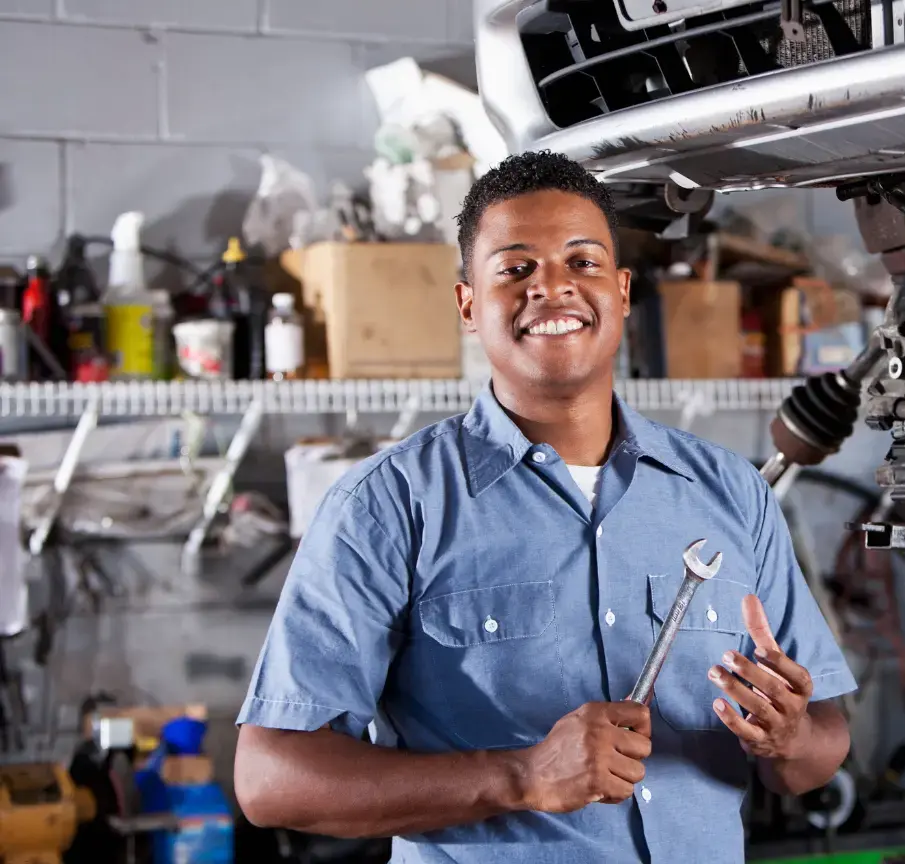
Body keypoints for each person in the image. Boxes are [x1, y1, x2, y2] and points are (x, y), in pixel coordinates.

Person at [233, 151, 855, 863]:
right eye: (516, 269)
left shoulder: (730, 493)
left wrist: (791, 736)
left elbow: (820, 752)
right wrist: (520, 777)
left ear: (622, 292)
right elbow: (270, 778)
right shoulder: (389, 507)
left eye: (583, 262)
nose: (553, 289)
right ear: (469, 305)